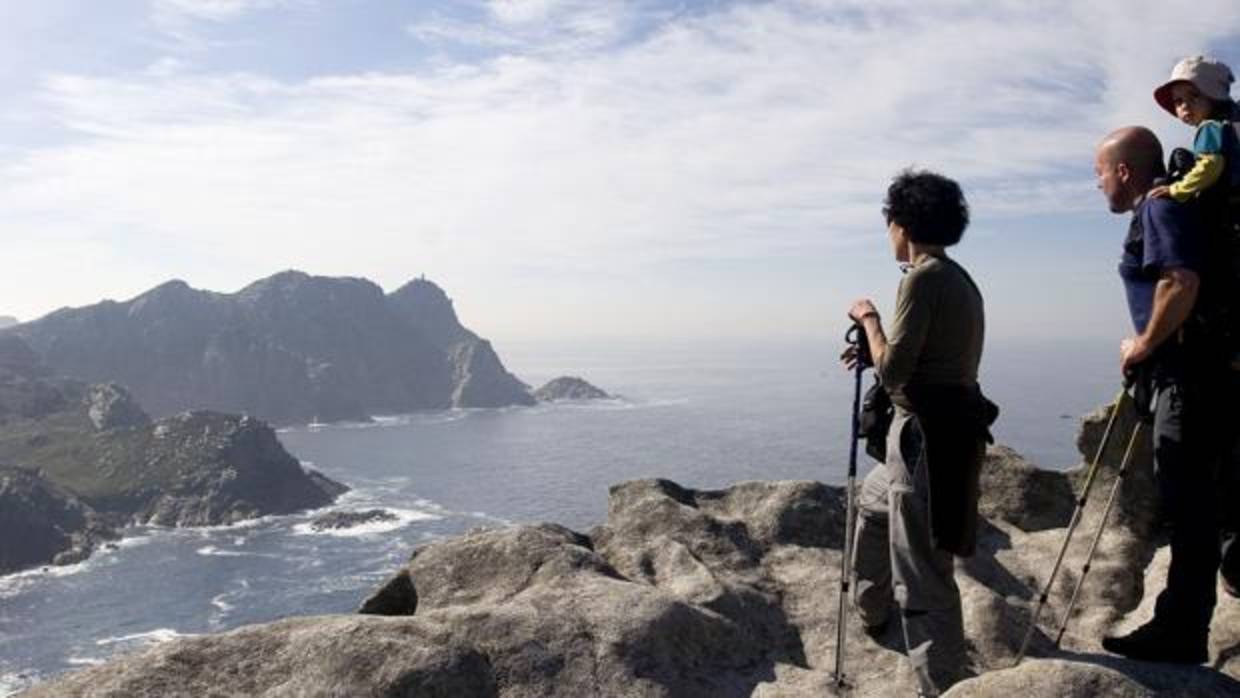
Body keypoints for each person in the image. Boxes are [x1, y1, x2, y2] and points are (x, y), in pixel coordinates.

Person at [844, 169, 992, 696]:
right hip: (933, 432)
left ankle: (943, 685)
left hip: (924, 441)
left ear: (901, 224)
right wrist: (875, 342)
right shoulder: (955, 277)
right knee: (872, 507)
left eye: (889, 223)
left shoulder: (922, 278)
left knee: (924, 577)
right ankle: (872, 610)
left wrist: (869, 320)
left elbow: (894, 371)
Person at [1094, 126, 1231, 663]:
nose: (1099, 183)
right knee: (1203, 500)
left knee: (1189, 504)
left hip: (1188, 377)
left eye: (1100, 173)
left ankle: (1181, 630)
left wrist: (1142, 346)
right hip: (1204, 372)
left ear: (1124, 171)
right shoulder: (1170, 206)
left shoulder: (1158, 209)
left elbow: (1182, 282)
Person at [1150, 55, 1238, 203]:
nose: (1185, 106)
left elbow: (1210, 165)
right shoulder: (1230, 126)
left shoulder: (1210, 128)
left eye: (1194, 96)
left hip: (1227, 207)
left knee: (1179, 157)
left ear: (1214, 98)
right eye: (1178, 101)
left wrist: (1177, 190)